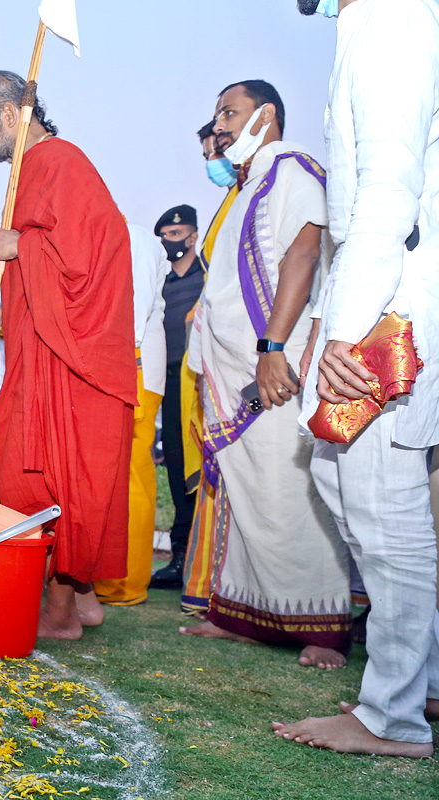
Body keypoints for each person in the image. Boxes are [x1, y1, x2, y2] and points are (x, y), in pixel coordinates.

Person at [274, 0, 439, 757]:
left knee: (381, 495)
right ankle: (419, 683)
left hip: (396, 295)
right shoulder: (374, 20)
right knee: (342, 476)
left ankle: (393, 717)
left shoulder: (396, 18)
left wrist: (347, 328)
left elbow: (386, 187)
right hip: (375, 284)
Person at [179, 79, 352, 668]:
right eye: (217, 113)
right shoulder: (249, 185)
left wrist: (273, 345)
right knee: (248, 492)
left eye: (230, 111)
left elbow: (302, 253)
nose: (220, 124)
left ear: (267, 115)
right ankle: (243, 616)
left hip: (271, 363)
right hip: (232, 366)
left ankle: (322, 626)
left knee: (290, 492)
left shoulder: (291, 169)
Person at [0, 70, 135, 639]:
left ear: (14, 114)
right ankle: (81, 602)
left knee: (50, 481)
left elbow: (94, 252)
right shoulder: (25, 173)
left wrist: (22, 245)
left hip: (75, 363)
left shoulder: (61, 160)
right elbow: (38, 278)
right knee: (21, 471)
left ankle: (60, 612)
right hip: (37, 356)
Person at [179, 125, 243, 612]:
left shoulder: (260, 194)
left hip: (247, 359)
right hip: (213, 357)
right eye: (206, 153)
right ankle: (217, 592)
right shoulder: (232, 199)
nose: (213, 158)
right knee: (216, 471)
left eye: (218, 148)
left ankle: (239, 595)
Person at [94, 226, 168, 606]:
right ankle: (107, 577)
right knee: (115, 476)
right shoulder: (110, 233)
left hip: (130, 365)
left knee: (131, 479)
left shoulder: (131, 236)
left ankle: (123, 584)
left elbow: (131, 310)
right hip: (122, 364)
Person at [149, 205, 206, 591]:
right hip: (170, 384)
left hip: (203, 382)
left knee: (205, 470)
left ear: (192, 236)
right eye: (164, 237)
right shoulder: (162, 286)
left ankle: (210, 560)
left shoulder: (211, 279)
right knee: (176, 470)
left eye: (175, 235)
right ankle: (181, 557)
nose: (169, 243)